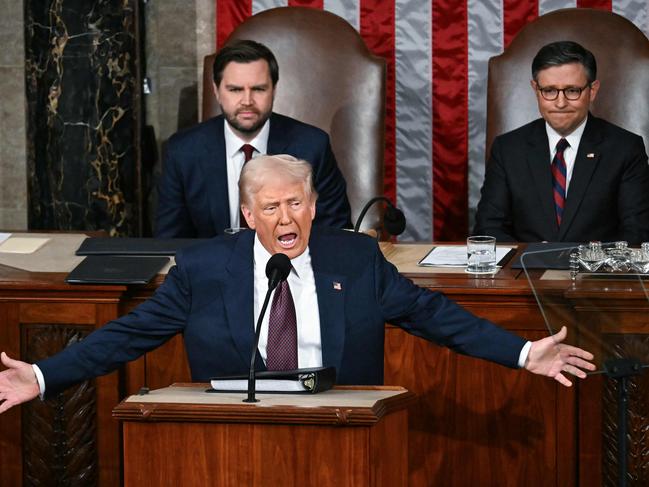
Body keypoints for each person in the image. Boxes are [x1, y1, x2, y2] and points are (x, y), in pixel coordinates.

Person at [0, 155, 595, 412]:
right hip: (235, 432)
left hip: (343, 425)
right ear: (248, 215)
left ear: (314, 206)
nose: (286, 220)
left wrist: (521, 352)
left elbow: (434, 316)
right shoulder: (206, 268)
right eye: (271, 208)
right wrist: (44, 373)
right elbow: (130, 335)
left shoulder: (355, 260)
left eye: (296, 204)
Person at [155, 39, 352, 238]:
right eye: (235, 89)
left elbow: (336, 234)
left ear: (274, 90)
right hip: (211, 267)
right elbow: (169, 242)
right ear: (216, 91)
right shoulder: (183, 151)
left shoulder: (312, 147)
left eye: (258, 89)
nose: (247, 101)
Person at [474, 40, 649, 244]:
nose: (560, 103)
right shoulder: (508, 148)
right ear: (536, 90)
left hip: (595, 273)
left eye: (572, 91)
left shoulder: (626, 148)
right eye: (549, 91)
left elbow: (638, 233)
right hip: (525, 272)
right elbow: (489, 228)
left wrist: (580, 262)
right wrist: (534, 259)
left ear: (592, 90)